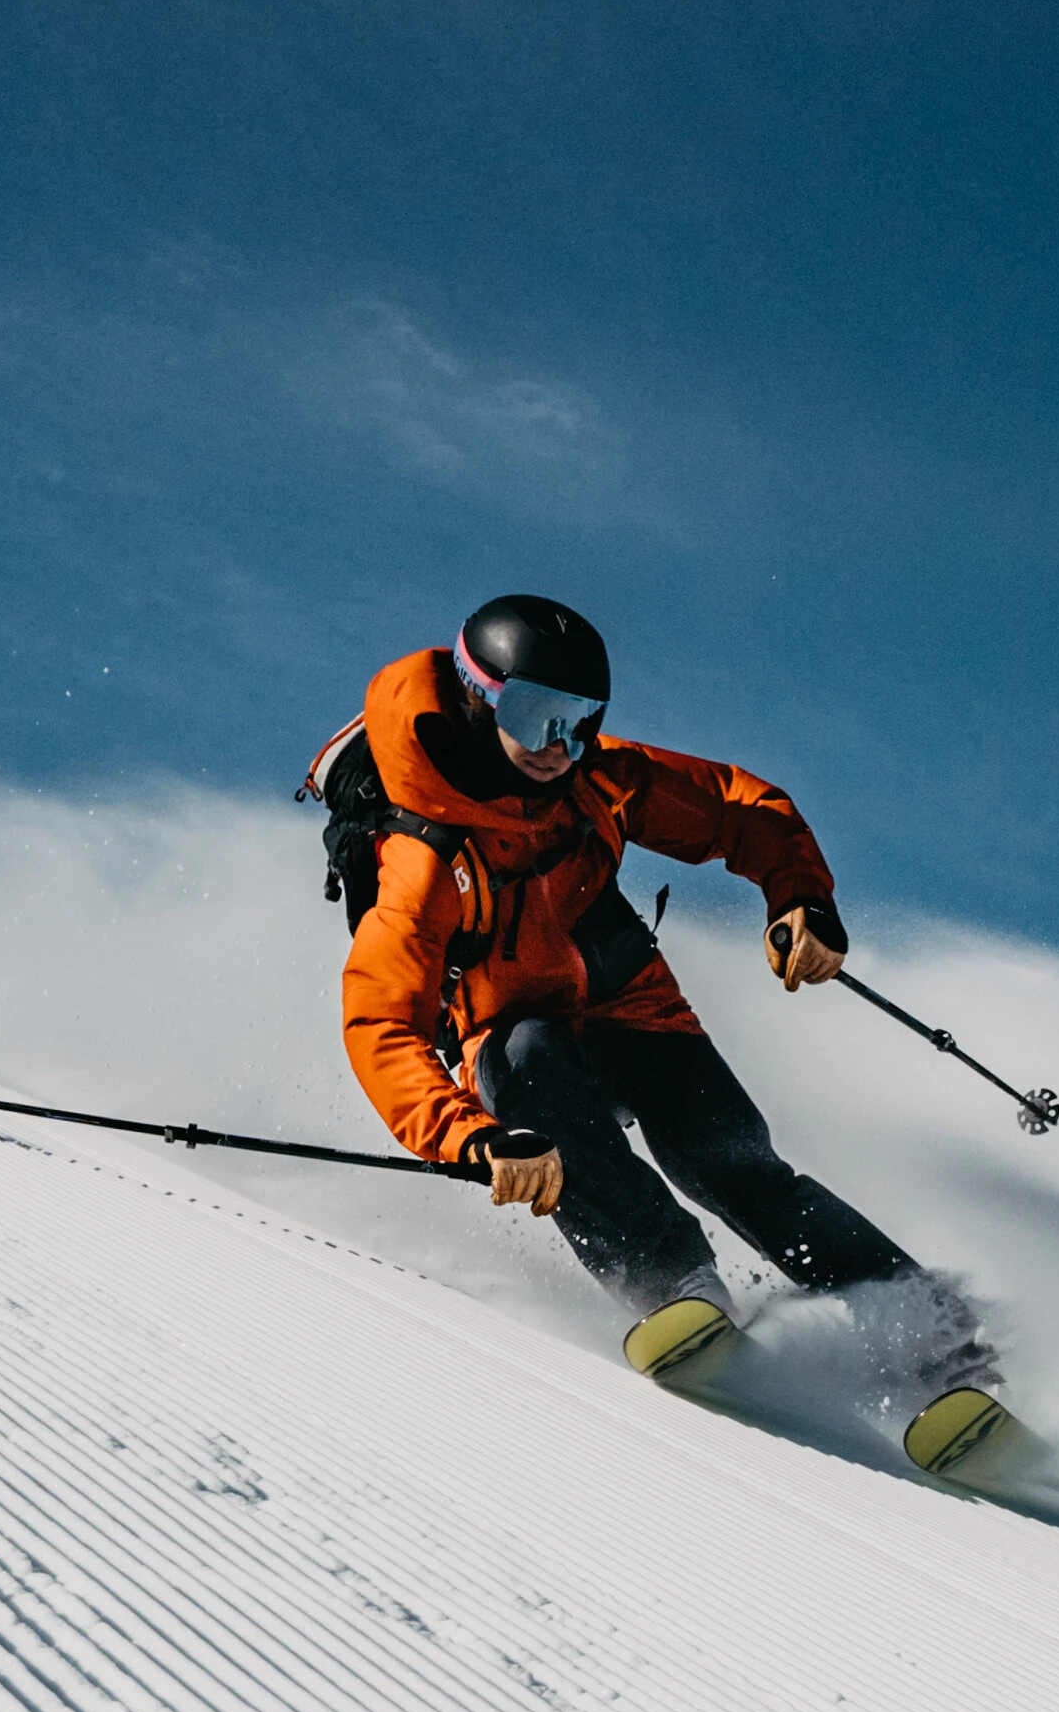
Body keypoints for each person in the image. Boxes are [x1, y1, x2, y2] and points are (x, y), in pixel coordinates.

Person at [308, 592, 988, 1382]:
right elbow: (381, 1021)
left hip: (629, 1002)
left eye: (579, 720)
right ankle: (677, 1288)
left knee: (732, 1165)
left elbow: (739, 808)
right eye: (534, 715)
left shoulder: (594, 780)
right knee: (530, 1064)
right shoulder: (423, 856)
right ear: (475, 695)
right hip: (512, 1034)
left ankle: (936, 1339)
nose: (558, 746)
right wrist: (470, 1134)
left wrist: (799, 897)